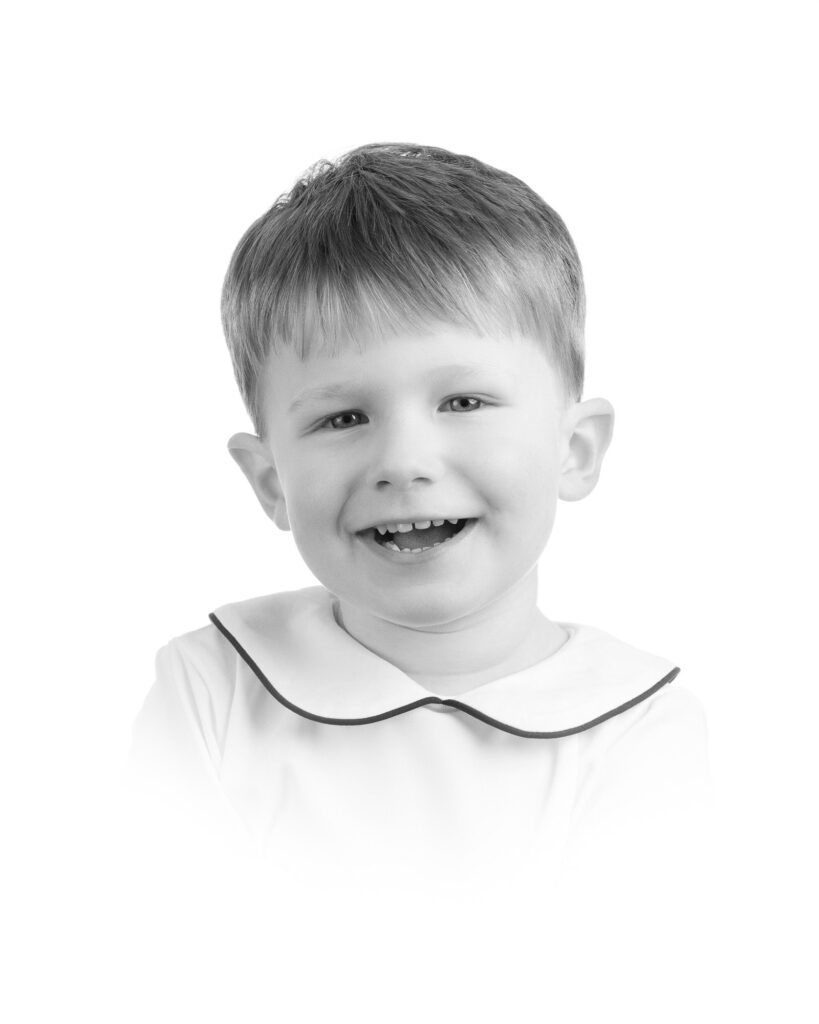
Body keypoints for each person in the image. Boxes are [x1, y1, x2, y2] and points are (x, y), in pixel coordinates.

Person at [124, 143, 711, 882]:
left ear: (576, 449)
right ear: (270, 480)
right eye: (341, 417)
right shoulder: (212, 686)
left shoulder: (637, 724)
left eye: (462, 402)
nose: (403, 461)